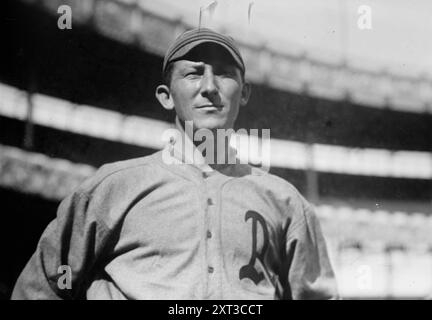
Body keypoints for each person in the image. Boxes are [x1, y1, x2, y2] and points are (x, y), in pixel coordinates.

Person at [12, 28, 338, 300]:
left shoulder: (286, 201)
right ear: (166, 96)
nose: (210, 87)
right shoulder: (111, 187)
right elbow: (40, 289)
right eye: (194, 73)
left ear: (245, 92)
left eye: (225, 74)